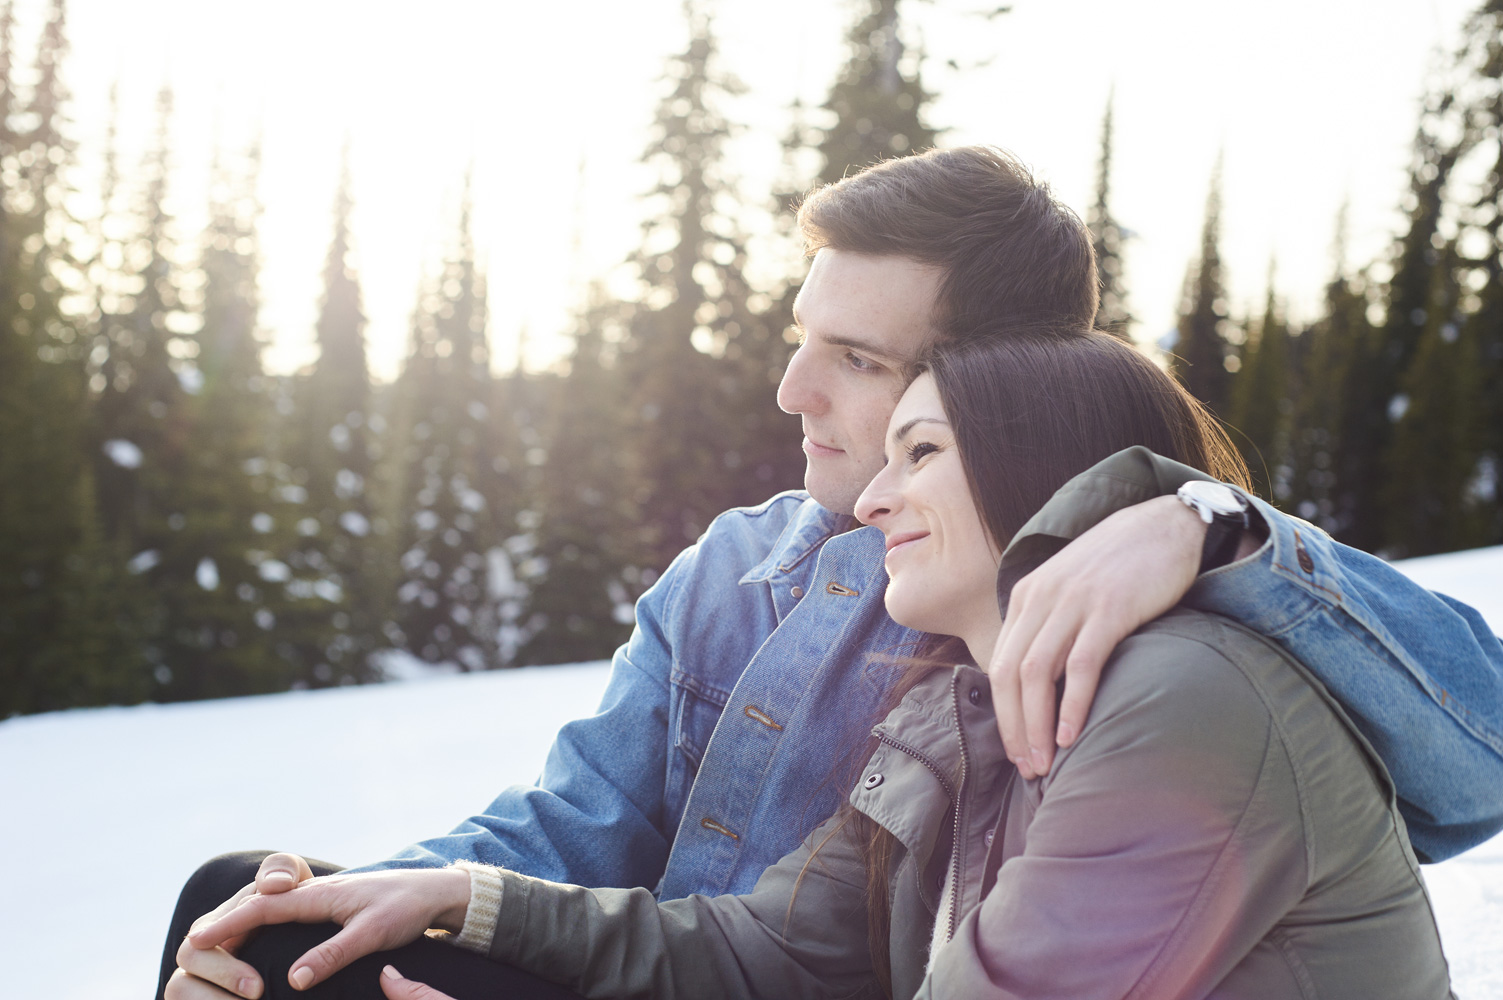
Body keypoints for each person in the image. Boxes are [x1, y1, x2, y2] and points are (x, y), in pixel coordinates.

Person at [162, 147, 1502, 1000]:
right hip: (683, 977)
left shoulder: (1156, 627)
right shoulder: (764, 577)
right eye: (804, 337)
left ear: (1000, 387)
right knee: (251, 927)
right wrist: (361, 911)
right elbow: (608, 845)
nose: (793, 389)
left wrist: (1213, 522)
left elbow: (1476, 751)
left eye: (861, 364)